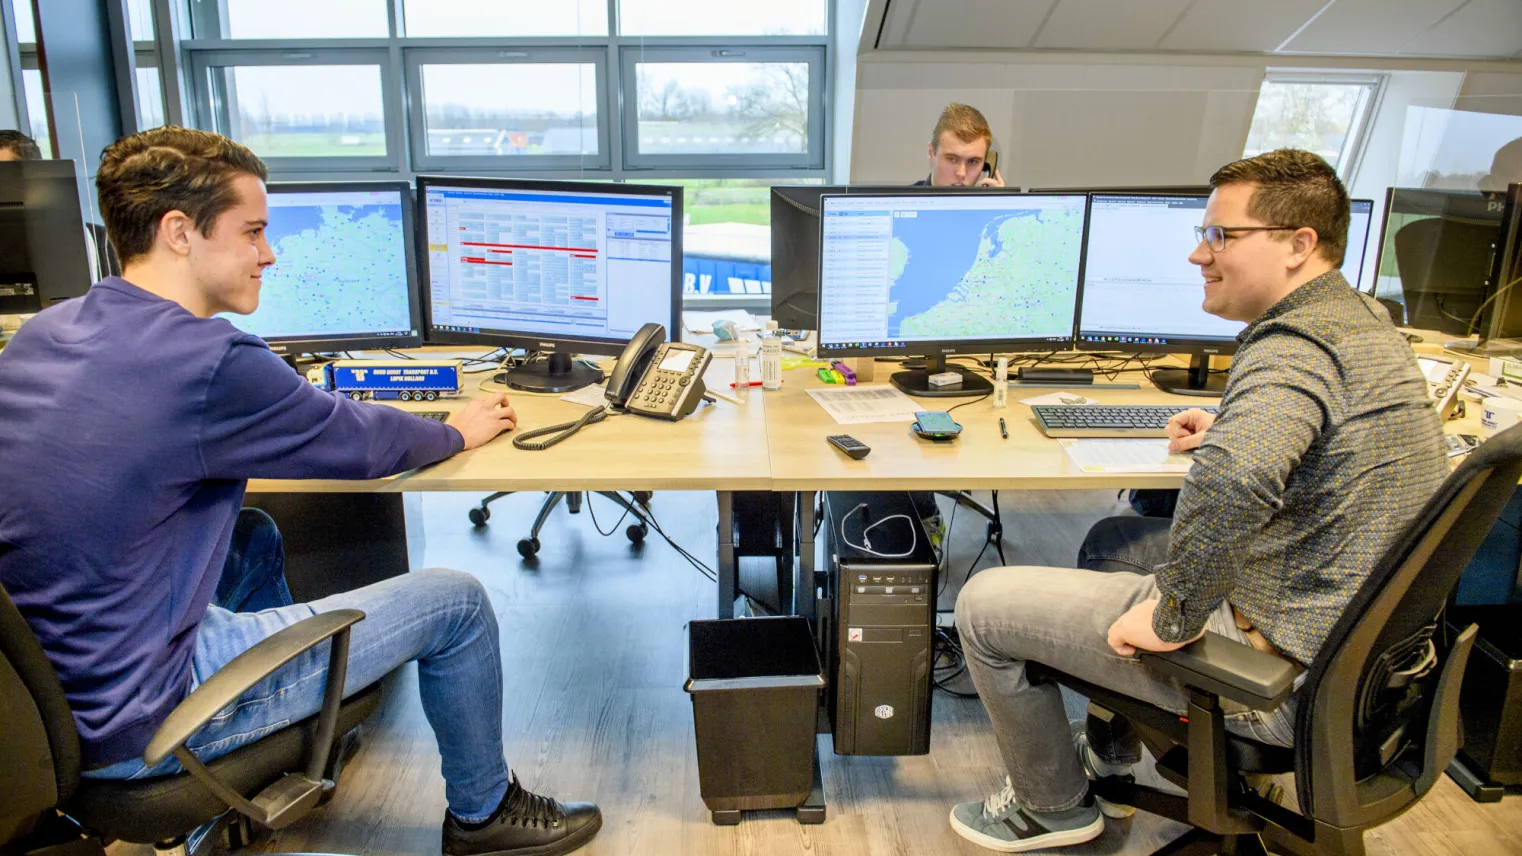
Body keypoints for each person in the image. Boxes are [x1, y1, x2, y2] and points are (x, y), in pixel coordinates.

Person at [0, 126, 601, 856]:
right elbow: (361, 442)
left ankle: (296, 735)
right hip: (145, 721)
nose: (269, 253)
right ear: (179, 232)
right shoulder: (212, 361)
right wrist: (457, 430)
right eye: (252, 231)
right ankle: (484, 815)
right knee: (458, 601)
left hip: (55, 699)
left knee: (253, 536)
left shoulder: (44, 333)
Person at [947, 149, 1447, 852]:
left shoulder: (1292, 345)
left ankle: (1053, 806)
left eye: (1221, 235)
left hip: (1274, 672)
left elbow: (1239, 479)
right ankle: (1111, 756)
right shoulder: (1360, 323)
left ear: (1299, 245)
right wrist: (1234, 424)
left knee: (982, 606)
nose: (1196, 254)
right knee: (1112, 544)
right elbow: (1334, 444)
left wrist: (1174, 613)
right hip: (1357, 657)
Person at [915, 103, 1005, 188]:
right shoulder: (903, 201)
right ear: (931, 153)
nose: (961, 173)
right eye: (952, 159)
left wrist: (1000, 202)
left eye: (973, 161)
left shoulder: (989, 204)